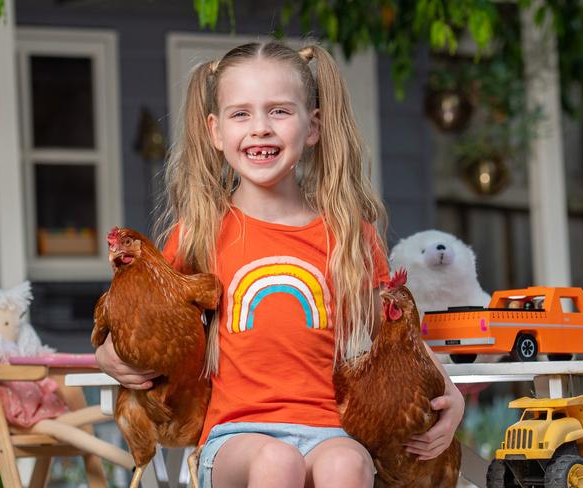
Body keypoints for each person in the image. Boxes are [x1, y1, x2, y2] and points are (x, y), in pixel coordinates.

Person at [96, 41, 464, 488]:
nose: (260, 129)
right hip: (235, 436)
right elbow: (143, 319)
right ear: (214, 131)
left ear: (313, 127)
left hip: (330, 429)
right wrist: (108, 355)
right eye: (241, 114)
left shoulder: (349, 235)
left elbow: (394, 336)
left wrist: (451, 392)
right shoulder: (199, 234)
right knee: (278, 463)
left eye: (279, 112)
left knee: (348, 465)